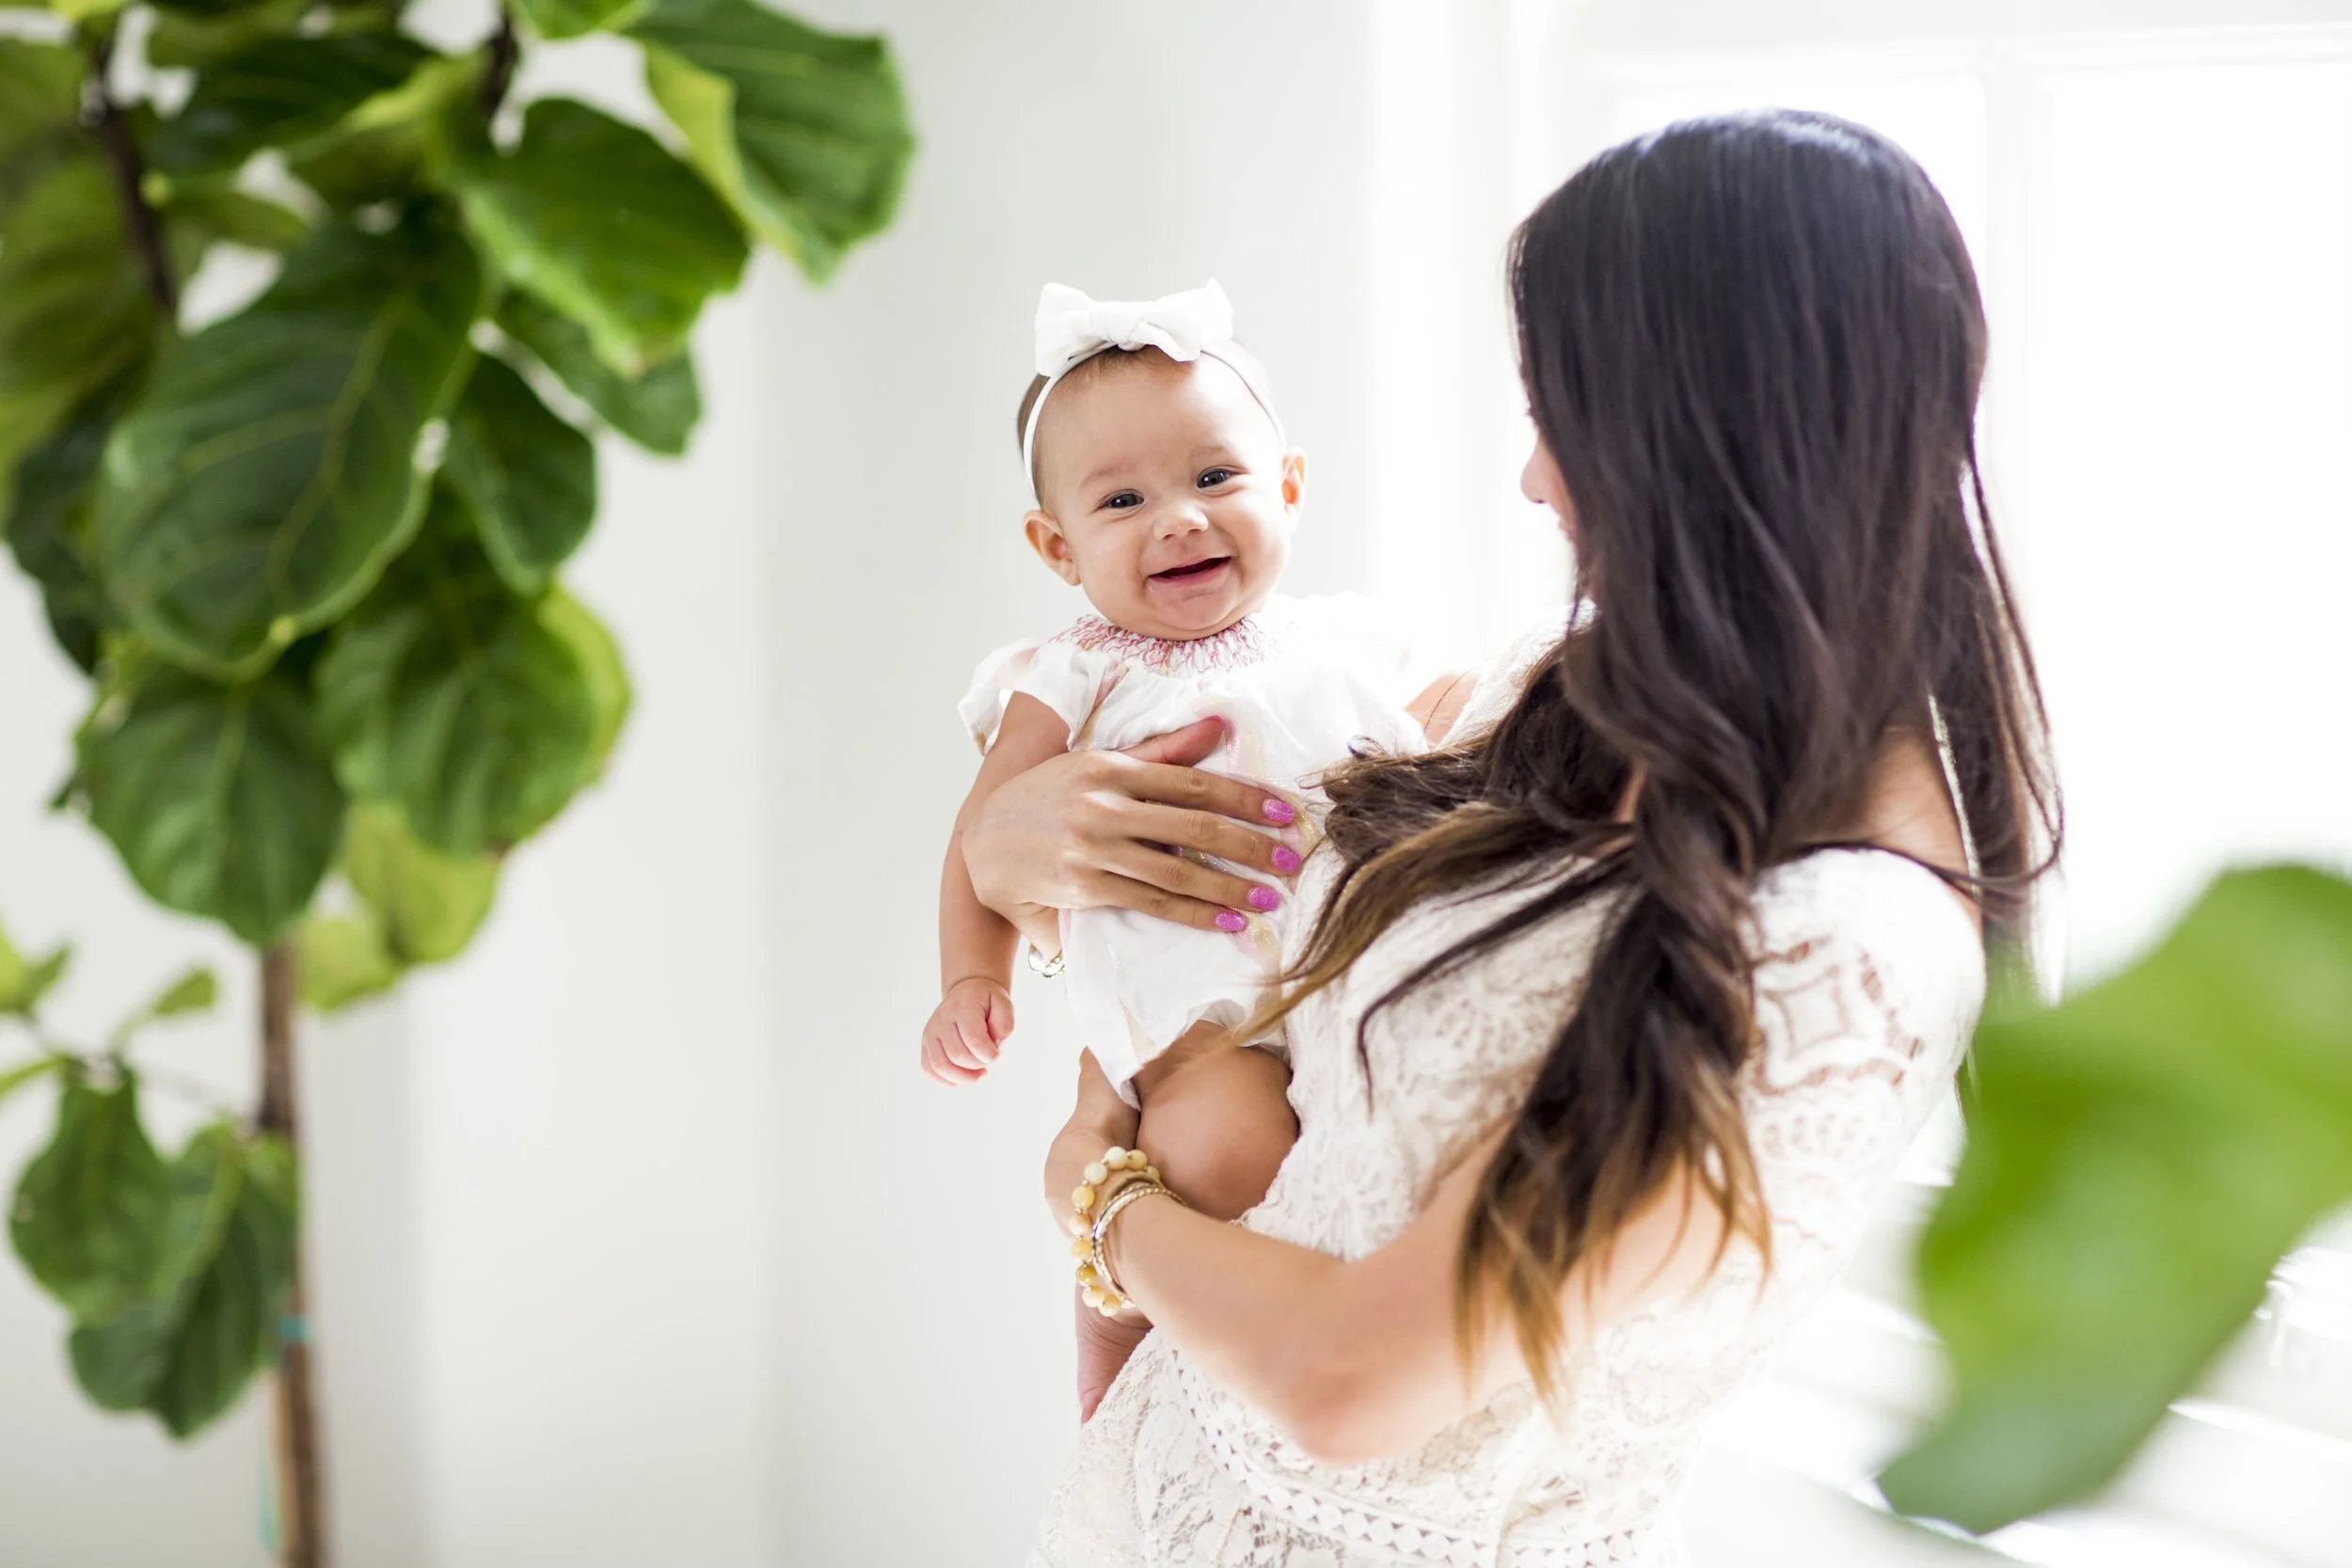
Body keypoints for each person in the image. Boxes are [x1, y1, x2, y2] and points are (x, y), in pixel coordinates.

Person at [962, 110, 2060, 1564]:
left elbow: (1352, 1381)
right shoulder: (1562, 697)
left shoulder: (1839, 949)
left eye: (1559, 413)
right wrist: (1013, 844)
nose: (1533, 478)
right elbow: (1242, 881)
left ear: (1694, 430)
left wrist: (1099, 1200)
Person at [926, 281, 1435, 1408]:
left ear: (1288, 486)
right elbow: (980, 835)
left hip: (1351, 982)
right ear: (1055, 546)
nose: (1180, 518)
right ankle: (1116, 1368)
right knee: (1215, 1153)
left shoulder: (1345, 638)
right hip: (1197, 1019)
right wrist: (972, 978)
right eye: (1123, 499)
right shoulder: (1075, 672)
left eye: (1215, 477)